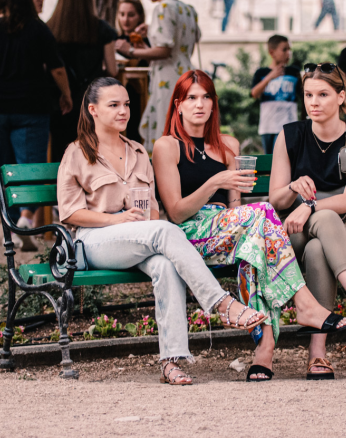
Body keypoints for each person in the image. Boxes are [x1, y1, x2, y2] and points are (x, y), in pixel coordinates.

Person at [56, 77, 266, 385]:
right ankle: (222, 303)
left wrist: (143, 224)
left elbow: (153, 208)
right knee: (165, 232)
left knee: (166, 263)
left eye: (126, 104)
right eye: (113, 105)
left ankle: (171, 361)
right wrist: (117, 221)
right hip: (95, 239)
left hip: (139, 236)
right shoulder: (77, 152)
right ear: (93, 110)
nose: (123, 111)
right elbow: (71, 213)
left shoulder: (138, 151)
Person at [153, 70, 346, 381]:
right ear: (178, 105)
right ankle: (303, 303)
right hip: (189, 235)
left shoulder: (227, 144)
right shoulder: (167, 146)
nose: (199, 104)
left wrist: (241, 215)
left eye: (206, 97)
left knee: (255, 246)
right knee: (263, 215)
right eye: (191, 98)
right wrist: (215, 181)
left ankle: (265, 350)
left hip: (230, 228)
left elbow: (235, 207)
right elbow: (176, 213)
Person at [269, 63, 346, 379]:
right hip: (295, 227)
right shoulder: (290, 135)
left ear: (340, 97)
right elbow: (276, 201)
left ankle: (318, 355)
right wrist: (293, 188)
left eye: (323, 94)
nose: (314, 102)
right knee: (314, 233)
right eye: (309, 94)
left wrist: (310, 206)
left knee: (317, 250)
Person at [0, 0, 72, 250]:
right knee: (31, 164)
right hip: (31, 106)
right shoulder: (37, 30)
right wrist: (66, 94)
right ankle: (26, 218)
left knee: (3, 165)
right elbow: (57, 67)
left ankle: (10, 226)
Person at [45, 0, 119, 158]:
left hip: (60, 99)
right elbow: (113, 70)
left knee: (60, 151)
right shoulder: (101, 29)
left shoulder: (51, 29)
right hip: (91, 99)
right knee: (90, 151)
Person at [129, 0, 198, 152]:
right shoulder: (188, 9)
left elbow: (164, 50)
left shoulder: (163, 8)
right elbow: (185, 40)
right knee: (183, 127)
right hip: (187, 74)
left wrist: (131, 51)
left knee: (166, 128)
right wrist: (151, 30)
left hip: (167, 77)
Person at [251, 35, 301, 155]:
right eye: (284, 50)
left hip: (288, 125)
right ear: (272, 52)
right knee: (269, 161)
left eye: (289, 49)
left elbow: (303, 96)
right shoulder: (261, 73)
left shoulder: (293, 72)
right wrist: (270, 77)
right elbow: (254, 94)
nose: (288, 53)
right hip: (268, 125)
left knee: (282, 158)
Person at [113, 0, 150, 141]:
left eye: (131, 15)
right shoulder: (114, 39)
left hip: (139, 98)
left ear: (140, 17)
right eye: (122, 14)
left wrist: (135, 50)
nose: (125, 20)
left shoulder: (146, 40)